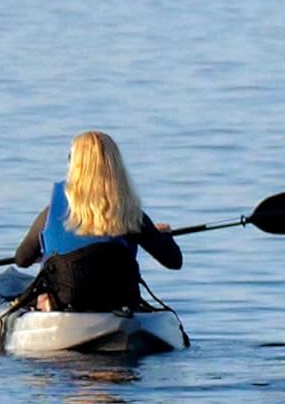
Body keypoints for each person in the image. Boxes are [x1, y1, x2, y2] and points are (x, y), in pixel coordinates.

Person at [14, 131, 182, 311]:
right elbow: (173, 261)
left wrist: (44, 252)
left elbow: (22, 259)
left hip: (65, 305)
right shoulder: (132, 216)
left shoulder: (51, 214)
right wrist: (164, 236)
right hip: (120, 302)